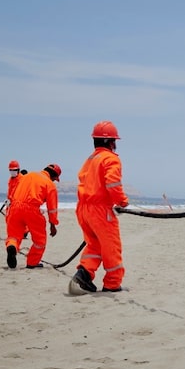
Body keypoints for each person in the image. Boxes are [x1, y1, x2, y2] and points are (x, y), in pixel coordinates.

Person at [69, 121, 129, 295]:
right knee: (111, 246)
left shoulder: (90, 159)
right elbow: (113, 184)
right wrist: (122, 201)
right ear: (111, 142)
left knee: (94, 245)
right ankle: (112, 284)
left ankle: (84, 274)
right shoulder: (110, 159)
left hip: (83, 210)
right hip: (100, 210)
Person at [4, 164, 61, 269]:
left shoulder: (26, 176)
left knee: (13, 235)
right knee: (40, 240)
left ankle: (11, 246)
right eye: (54, 179)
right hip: (32, 209)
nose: (54, 181)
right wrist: (53, 224)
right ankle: (32, 263)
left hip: (14, 207)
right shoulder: (49, 184)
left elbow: (13, 191)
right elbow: (52, 208)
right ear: (53, 176)